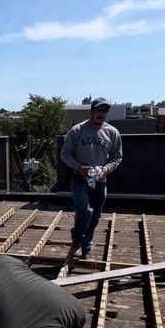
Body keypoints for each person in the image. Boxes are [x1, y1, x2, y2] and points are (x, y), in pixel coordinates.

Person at [61, 97, 122, 260]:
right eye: (98, 110)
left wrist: (106, 169)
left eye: (104, 111)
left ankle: (86, 249)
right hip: (80, 178)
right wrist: (79, 168)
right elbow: (65, 154)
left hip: (100, 180)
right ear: (91, 112)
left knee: (95, 217)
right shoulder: (77, 130)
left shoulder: (112, 132)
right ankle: (77, 240)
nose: (101, 114)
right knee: (84, 209)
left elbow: (117, 156)